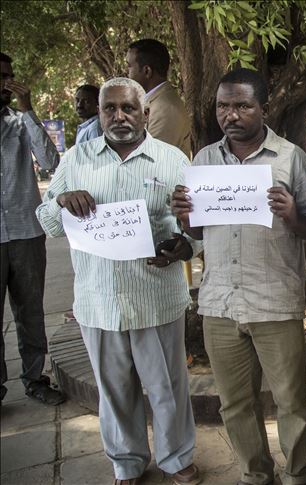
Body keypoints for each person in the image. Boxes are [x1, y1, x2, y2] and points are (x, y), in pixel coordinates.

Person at [35, 77, 200, 485]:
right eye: (110, 108)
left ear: (146, 113)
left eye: (128, 108)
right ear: (100, 113)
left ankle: (176, 458)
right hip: (100, 299)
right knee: (114, 390)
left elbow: (196, 225)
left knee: (167, 387)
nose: (119, 116)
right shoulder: (76, 160)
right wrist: (61, 201)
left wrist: (184, 246)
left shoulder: (173, 161)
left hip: (155, 295)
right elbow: (47, 221)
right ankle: (127, 462)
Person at [170, 68, 306, 485]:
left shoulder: (291, 158)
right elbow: (199, 232)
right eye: (223, 106)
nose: (230, 115)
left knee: (290, 401)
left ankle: (296, 473)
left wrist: (293, 215)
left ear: (263, 108)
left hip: (274, 299)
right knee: (235, 403)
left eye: (242, 105)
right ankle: (255, 474)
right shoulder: (204, 161)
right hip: (219, 301)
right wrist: (184, 217)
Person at [0, 51, 63, 405]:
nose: (7, 83)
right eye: (1, 76)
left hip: (26, 231)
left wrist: (28, 110)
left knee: (30, 311)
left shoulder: (20, 122)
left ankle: (35, 379)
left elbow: (51, 162)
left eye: (9, 75)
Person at [126, 38, 192, 155]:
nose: (127, 73)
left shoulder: (164, 109)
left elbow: (150, 159)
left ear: (147, 71)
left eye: (129, 66)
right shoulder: (154, 102)